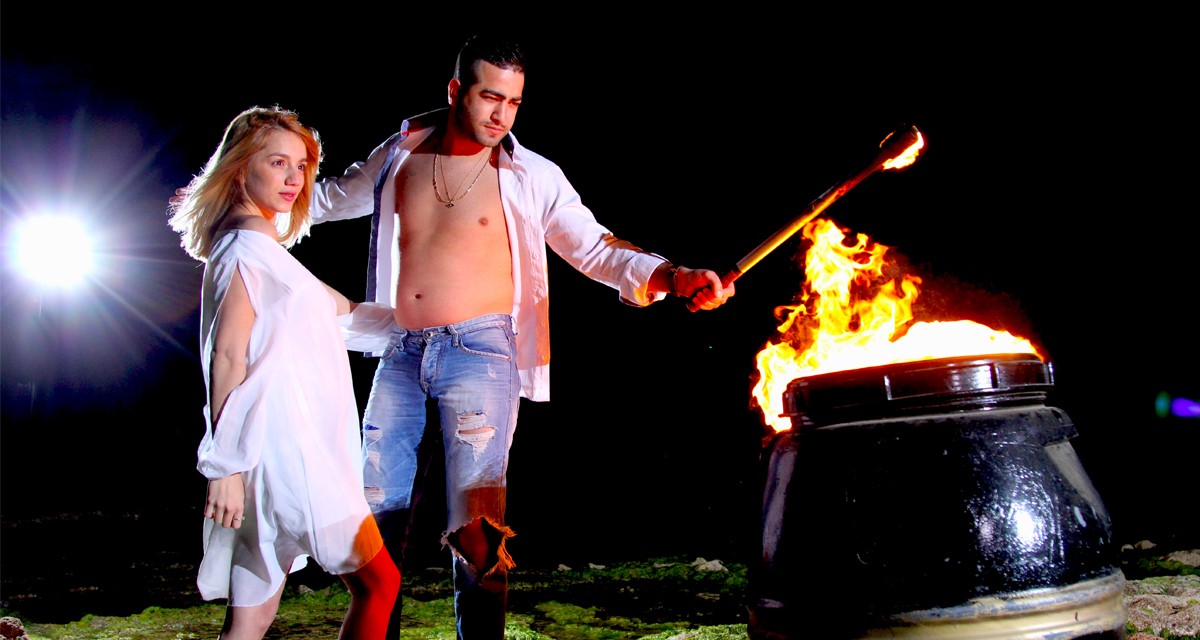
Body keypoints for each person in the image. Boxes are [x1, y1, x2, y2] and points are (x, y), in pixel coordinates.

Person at [308, 34, 736, 638]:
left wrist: (672, 275)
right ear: (456, 90)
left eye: (513, 102)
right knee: (376, 511)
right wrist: (242, 205)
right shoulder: (400, 153)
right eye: (490, 97)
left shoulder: (531, 173)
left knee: (477, 527)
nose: (501, 115)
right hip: (402, 350)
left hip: (480, 354)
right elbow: (327, 198)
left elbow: (595, 246)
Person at [167, 105, 401, 640]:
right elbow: (225, 356)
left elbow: (341, 314)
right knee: (379, 583)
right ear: (240, 167)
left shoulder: (261, 248)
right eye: (278, 163)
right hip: (290, 455)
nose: (294, 178)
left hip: (274, 455)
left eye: (301, 166)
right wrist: (223, 468)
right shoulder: (245, 247)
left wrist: (430, 322)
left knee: (250, 621)